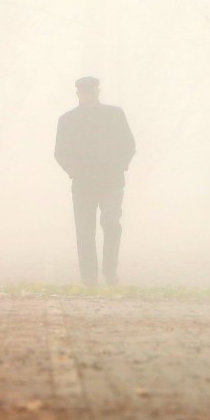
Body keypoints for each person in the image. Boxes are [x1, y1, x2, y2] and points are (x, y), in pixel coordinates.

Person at [54, 76, 136, 286]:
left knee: (111, 223)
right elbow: (60, 152)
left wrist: (119, 165)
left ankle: (110, 272)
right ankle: (89, 279)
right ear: (78, 94)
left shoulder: (115, 115)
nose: (88, 96)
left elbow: (129, 144)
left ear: (98, 93)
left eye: (91, 92)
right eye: (84, 92)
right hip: (83, 185)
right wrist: (75, 171)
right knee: (84, 231)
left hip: (112, 182)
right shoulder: (67, 120)